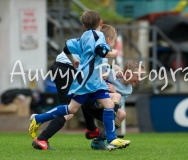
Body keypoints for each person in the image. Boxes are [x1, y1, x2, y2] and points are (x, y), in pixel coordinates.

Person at [28, 11, 130, 151]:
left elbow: (66, 46)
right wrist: (114, 53)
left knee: (108, 103)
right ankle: (40, 129)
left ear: (83, 25)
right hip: (82, 78)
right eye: (112, 42)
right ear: (100, 23)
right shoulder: (98, 36)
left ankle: (107, 137)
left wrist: (75, 60)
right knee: (70, 109)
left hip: (90, 79)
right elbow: (101, 51)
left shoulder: (84, 37)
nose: (112, 44)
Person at [87, 59, 144, 150]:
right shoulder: (113, 74)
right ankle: (111, 135)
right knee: (116, 96)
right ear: (128, 73)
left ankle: (98, 141)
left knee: (122, 114)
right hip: (92, 101)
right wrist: (107, 73)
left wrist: (114, 91)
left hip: (104, 107)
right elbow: (102, 68)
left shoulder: (128, 90)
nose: (140, 79)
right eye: (138, 76)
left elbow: (119, 105)